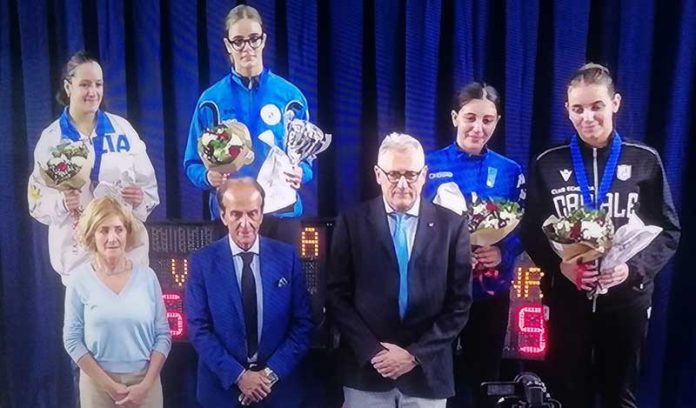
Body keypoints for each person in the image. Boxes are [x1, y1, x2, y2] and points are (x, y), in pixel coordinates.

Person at [520, 63, 681, 408]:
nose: (587, 117)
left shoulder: (644, 159)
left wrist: (632, 270)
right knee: (566, 394)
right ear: (567, 109)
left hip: (626, 302)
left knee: (619, 396)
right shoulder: (548, 162)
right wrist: (560, 268)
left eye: (597, 106)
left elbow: (669, 230)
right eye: (578, 108)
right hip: (568, 300)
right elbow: (531, 230)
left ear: (615, 103)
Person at [327, 133, 472, 408]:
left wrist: (414, 355)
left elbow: (460, 304)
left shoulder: (452, 226)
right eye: (393, 174)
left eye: (411, 175)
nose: (403, 184)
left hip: (428, 374)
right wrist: (374, 352)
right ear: (378, 175)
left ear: (424, 175)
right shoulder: (351, 222)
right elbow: (336, 297)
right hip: (367, 372)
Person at [424, 82, 525, 407]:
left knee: (485, 381)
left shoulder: (510, 171)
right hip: (439, 293)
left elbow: (525, 225)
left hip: (490, 293)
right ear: (455, 117)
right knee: (433, 379)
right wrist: (449, 252)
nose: (478, 127)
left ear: (497, 122)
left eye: (487, 120)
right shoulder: (428, 166)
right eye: (470, 117)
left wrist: (502, 252)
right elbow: (413, 226)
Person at [183, 4, 312, 245]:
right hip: (231, 214)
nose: (247, 48)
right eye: (238, 41)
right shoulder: (211, 101)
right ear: (228, 45)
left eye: (253, 39)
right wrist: (208, 177)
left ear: (263, 40)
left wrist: (301, 173)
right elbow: (191, 162)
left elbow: (307, 157)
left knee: (282, 272)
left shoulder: (291, 97)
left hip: (280, 212)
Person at [28, 51, 159, 285]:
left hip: (127, 257)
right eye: (85, 84)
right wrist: (61, 203)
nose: (93, 92)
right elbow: (36, 202)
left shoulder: (123, 131)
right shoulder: (52, 139)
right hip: (78, 261)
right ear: (68, 87)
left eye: (98, 84)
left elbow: (150, 189)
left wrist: (140, 198)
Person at [185, 178, 314, 408]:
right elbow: (198, 329)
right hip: (222, 393)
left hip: (278, 392)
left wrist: (268, 376)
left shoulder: (287, 258)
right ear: (223, 216)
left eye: (252, 213)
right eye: (236, 214)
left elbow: (303, 324)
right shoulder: (202, 262)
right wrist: (239, 376)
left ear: (261, 214)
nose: (245, 224)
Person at [63, 197, 171, 408]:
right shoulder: (78, 280)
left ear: (127, 233)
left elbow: (163, 335)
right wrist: (110, 387)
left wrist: (146, 385)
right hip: (97, 385)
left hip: (146, 384)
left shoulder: (148, 277)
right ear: (92, 234)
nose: (112, 238)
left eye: (118, 230)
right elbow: (72, 340)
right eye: (104, 230)